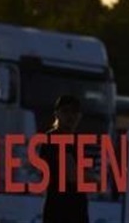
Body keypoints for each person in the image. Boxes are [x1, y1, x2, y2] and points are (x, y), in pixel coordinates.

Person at [40, 94, 91, 223]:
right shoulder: (54, 138)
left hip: (76, 210)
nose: (70, 116)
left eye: (74, 112)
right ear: (56, 114)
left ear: (79, 116)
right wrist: (95, 178)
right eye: (65, 111)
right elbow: (72, 175)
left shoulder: (76, 140)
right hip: (60, 210)